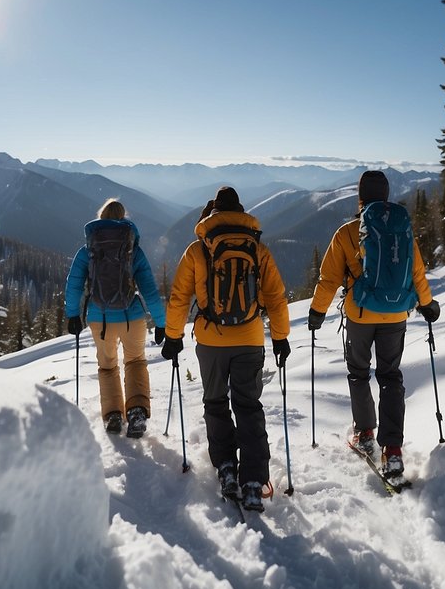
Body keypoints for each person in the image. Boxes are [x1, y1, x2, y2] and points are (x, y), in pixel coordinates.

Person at [161, 186, 291, 512]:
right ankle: (253, 482)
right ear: (241, 213)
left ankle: (226, 469)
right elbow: (275, 297)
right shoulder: (257, 249)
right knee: (248, 406)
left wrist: (173, 336)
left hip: (211, 341)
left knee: (216, 403)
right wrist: (281, 337)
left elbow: (179, 297)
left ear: (212, 214)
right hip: (249, 338)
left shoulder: (197, 249)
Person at [307, 170, 440, 479]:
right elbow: (417, 271)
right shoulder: (402, 229)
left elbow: (328, 278)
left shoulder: (347, 233)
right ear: (387, 195)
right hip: (396, 315)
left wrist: (317, 311)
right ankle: (392, 450)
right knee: (390, 377)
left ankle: (365, 433)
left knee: (358, 372)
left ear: (361, 197)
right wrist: (427, 304)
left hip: (360, 315)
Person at [65, 199, 166, 438]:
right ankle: (137, 411)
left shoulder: (87, 251)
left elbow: (74, 285)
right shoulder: (133, 250)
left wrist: (72, 315)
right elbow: (149, 289)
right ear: (124, 219)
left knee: (108, 365)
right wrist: (161, 322)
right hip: (132, 316)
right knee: (135, 362)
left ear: (100, 218)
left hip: (100, 319)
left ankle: (112, 415)